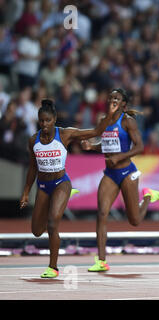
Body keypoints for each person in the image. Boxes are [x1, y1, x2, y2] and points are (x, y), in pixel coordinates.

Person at [19, 98, 118, 278]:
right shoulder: (33, 140)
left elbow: (95, 131)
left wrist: (108, 117)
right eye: (41, 121)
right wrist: (26, 192)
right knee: (36, 231)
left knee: (52, 224)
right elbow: (32, 167)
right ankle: (59, 200)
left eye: (48, 121)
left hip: (61, 184)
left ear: (54, 119)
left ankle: (53, 267)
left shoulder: (64, 134)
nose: (44, 124)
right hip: (43, 186)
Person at [80, 88, 159, 272]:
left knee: (134, 221)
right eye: (110, 97)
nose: (112, 100)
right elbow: (106, 144)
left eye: (116, 98)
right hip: (110, 174)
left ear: (123, 104)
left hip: (127, 172)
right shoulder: (104, 121)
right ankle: (101, 261)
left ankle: (148, 196)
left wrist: (119, 158)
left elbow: (140, 146)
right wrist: (91, 146)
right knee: (102, 213)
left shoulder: (128, 122)